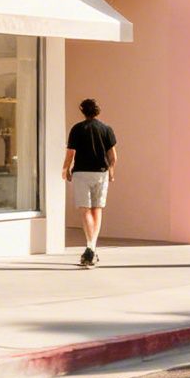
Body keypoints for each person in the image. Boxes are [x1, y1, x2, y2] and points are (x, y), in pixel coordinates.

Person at [63, 97, 118, 267]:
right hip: (100, 173)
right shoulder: (106, 129)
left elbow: (71, 153)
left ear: (82, 111)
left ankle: (90, 247)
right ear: (97, 111)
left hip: (81, 173)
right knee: (97, 209)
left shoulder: (77, 129)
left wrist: (66, 169)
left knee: (85, 210)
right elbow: (113, 156)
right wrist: (111, 171)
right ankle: (92, 246)